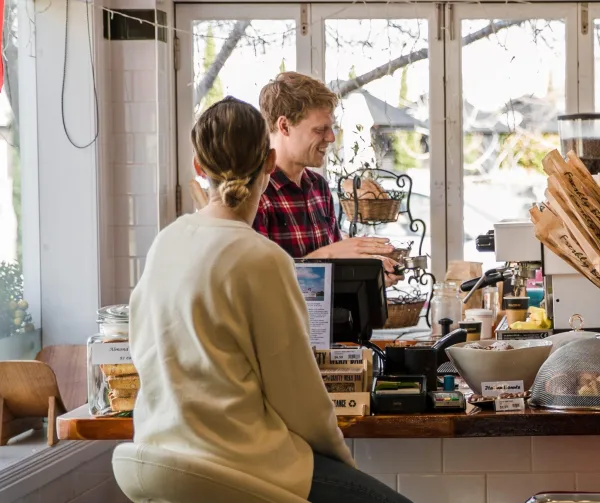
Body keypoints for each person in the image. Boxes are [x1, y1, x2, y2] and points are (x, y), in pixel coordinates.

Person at [130, 97, 411, 503]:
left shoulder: (165, 242)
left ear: (199, 167)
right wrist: (342, 464)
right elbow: (299, 399)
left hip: (162, 460)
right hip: (242, 465)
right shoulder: (263, 258)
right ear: (268, 162)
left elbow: (143, 349)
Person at [254, 72, 400, 277]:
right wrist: (328, 254)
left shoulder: (319, 186)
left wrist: (369, 273)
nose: (331, 137)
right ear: (284, 126)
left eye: (331, 128)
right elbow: (258, 281)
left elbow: (331, 277)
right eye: (320, 130)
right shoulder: (255, 193)